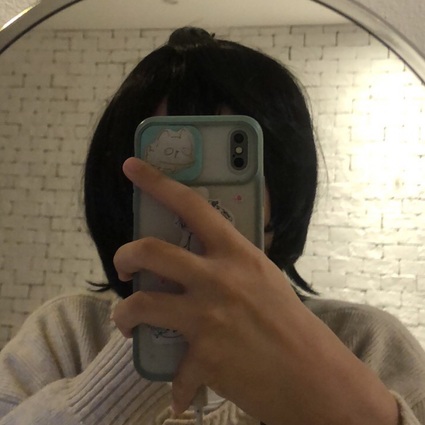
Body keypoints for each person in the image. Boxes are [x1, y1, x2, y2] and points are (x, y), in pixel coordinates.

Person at [1, 26, 425, 425]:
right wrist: (147, 350)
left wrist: (335, 394)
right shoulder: (65, 334)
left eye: (229, 170)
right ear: (120, 190)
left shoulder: (367, 342)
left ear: (284, 183)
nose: (194, 202)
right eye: (166, 171)